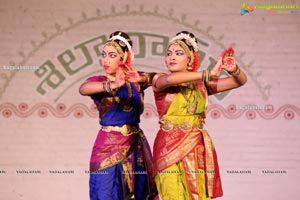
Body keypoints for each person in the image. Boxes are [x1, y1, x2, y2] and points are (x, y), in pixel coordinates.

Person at [151, 31, 247, 200]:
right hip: (167, 147)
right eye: (169, 53)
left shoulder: (201, 85)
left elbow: (240, 81)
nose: (171, 57)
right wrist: (207, 74)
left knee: (197, 194)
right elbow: (170, 81)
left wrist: (234, 70)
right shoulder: (160, 80)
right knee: (171, 192)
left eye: (178, 53)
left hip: (195, 145)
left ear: (190, 60)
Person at [79, 31, 156, 200]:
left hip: (134, 144)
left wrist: (139, 79)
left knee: (137, 191)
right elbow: (83, 89)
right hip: (107, 144)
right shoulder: (99, 81)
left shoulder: (136, 81)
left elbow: (158, 79)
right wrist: (113, 85)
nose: (105, 60)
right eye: (104, 55)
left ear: (124, 58)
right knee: (104, 190)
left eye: (112, 55)